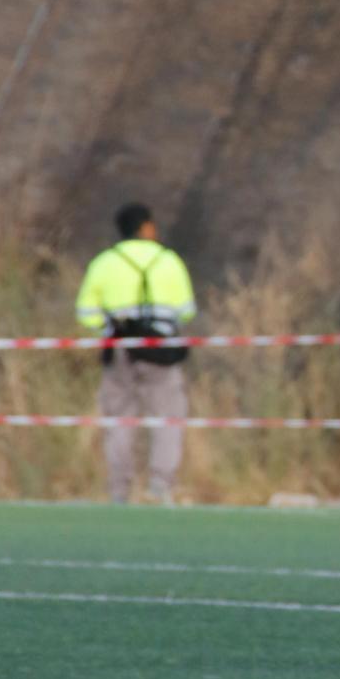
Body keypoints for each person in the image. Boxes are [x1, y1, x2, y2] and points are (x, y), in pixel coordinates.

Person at [75, 202, 196, 505]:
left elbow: (86, 312)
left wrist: (110, 326)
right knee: (168, 416)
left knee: (119, 418)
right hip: (160, 350)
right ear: (146, 227)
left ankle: (119, 490)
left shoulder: (104, 262)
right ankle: (160, 486)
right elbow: (186, 311)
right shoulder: (168, 260)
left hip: (119, 349)